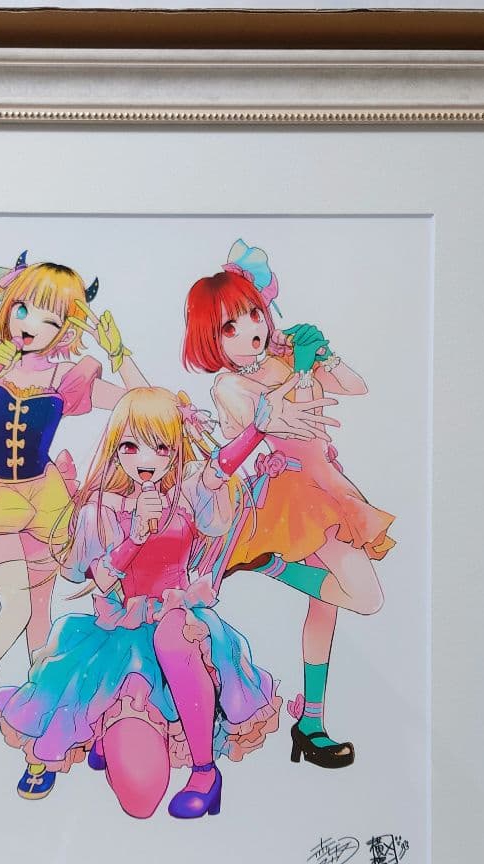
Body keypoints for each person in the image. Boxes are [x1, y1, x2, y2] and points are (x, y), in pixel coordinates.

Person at [0, 384, 333, 817]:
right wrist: (135, 535)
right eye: (131, 446)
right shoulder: (99, 510)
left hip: (177, 619)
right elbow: (98, 578)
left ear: (174, 449)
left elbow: (217, 470)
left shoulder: (185, 491)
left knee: (173, 638)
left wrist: (257, 431)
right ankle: (107, 730)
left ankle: (205, 773)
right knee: (139, 796)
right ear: (116, 449)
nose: (145, 458)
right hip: (120, 638)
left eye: (160, 446)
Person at [0, 253, 147, 768]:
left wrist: (118, 351)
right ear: (7, 306)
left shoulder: (68, 378)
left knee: (39, 620)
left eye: (49, 317)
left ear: (66, 328)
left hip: (46, 501)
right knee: (15, 609)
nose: (29, 325)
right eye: (23, 309)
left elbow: (141, 400)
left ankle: (40, 742)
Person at [183, 240, 395, 769]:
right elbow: (272, 421)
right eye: (229, 327)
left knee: (327, 606)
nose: (249, 330)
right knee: (366, 596)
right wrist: (298, 376)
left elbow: (356, 387)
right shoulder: (229, 385)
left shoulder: (281, 358)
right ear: (211, 339)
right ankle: (270, 563)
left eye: (253, 313)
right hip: (290, 496)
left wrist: (324, 354)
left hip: (330, 485)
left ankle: (311, 724)